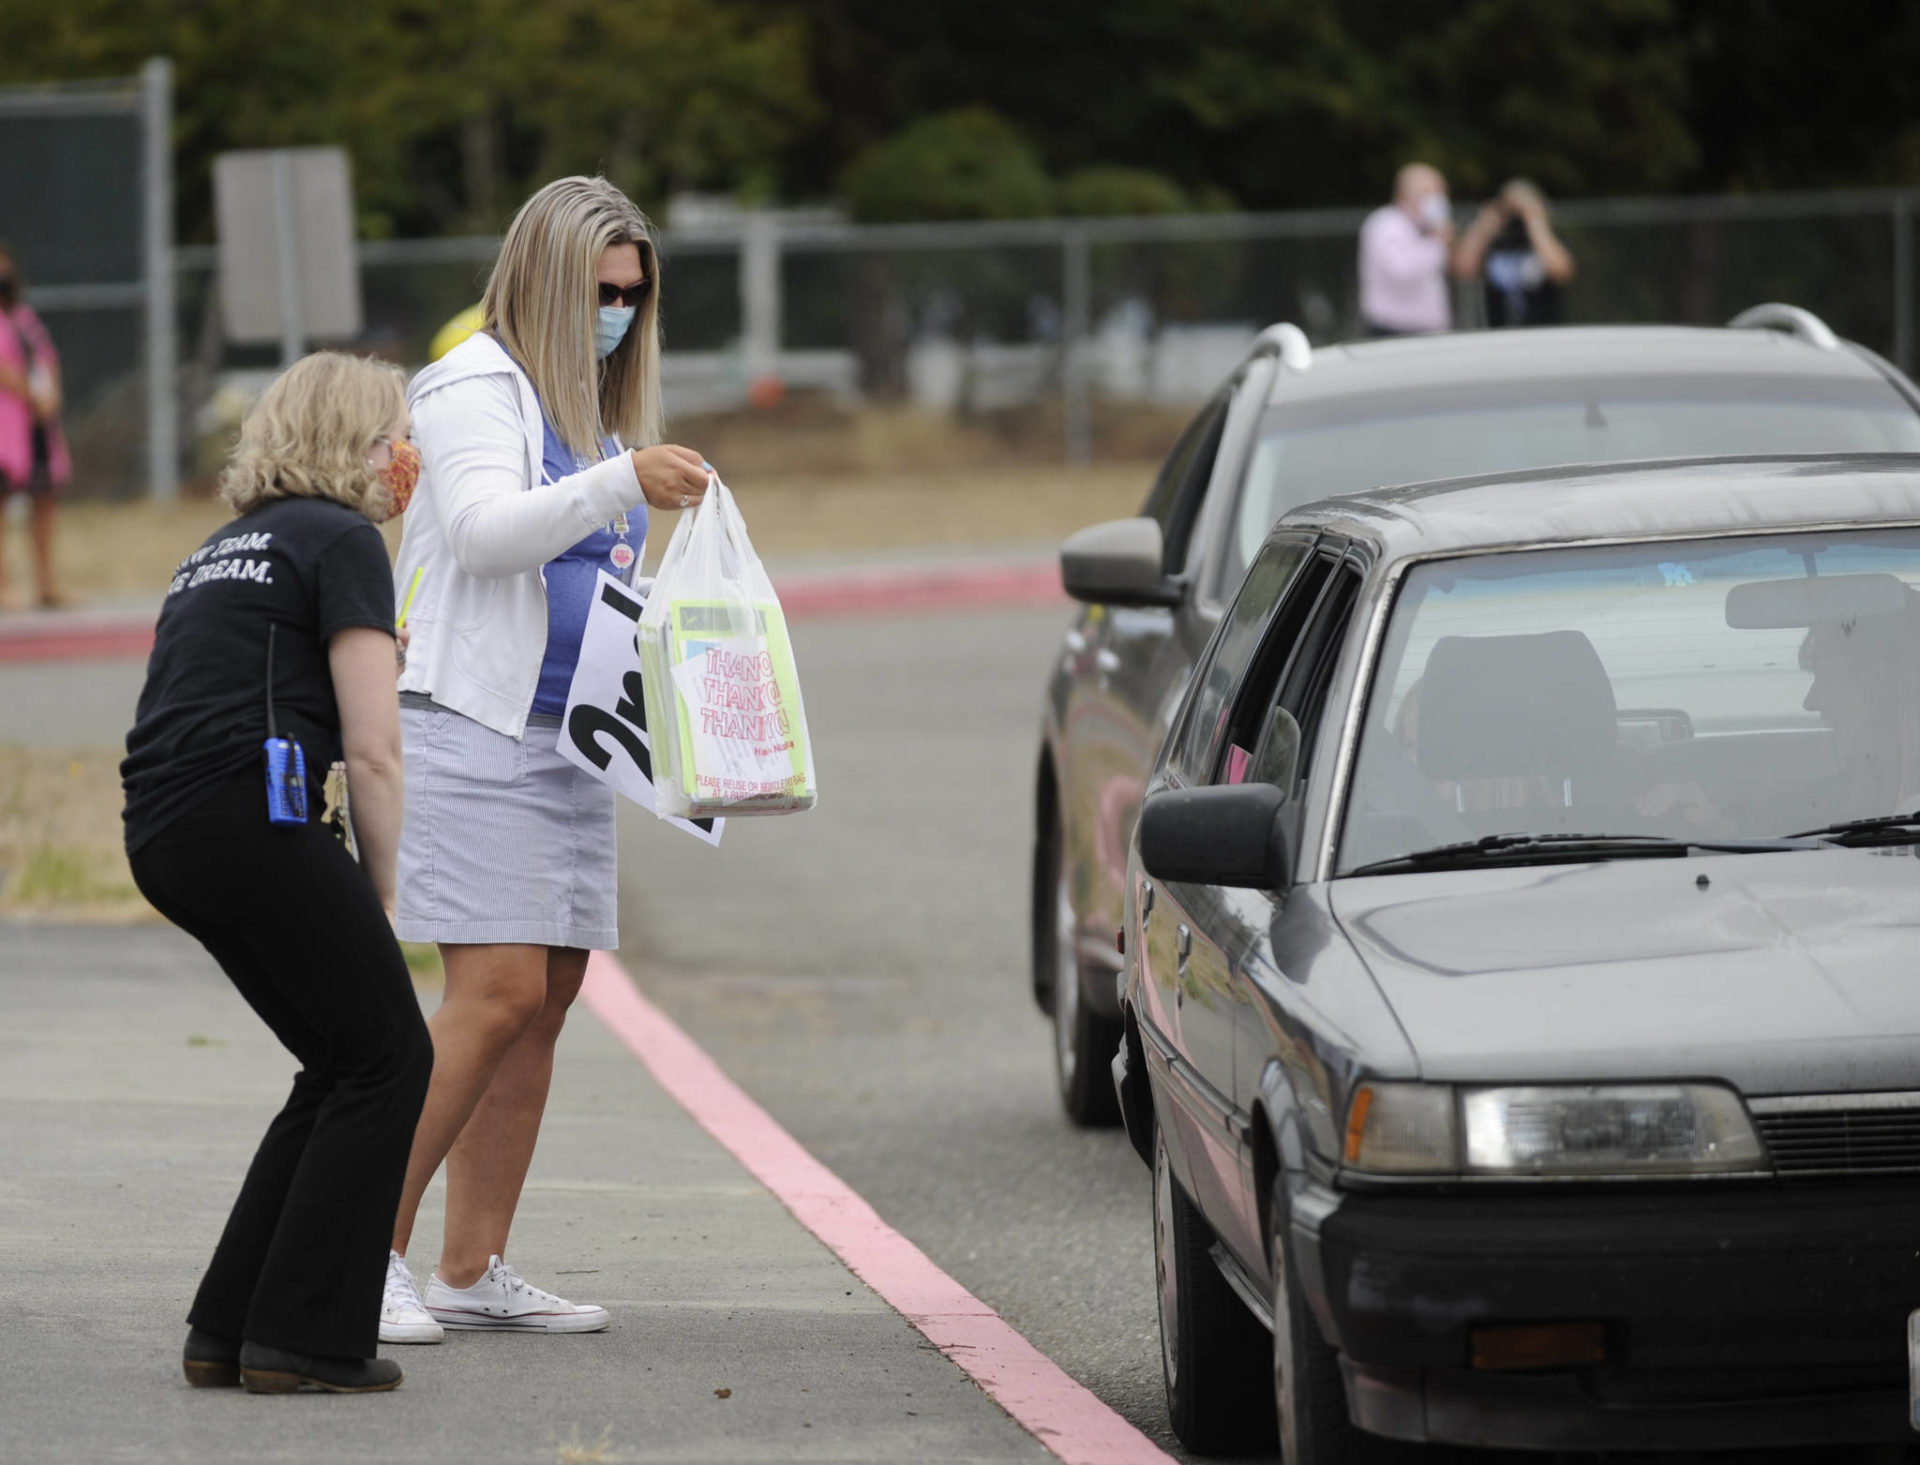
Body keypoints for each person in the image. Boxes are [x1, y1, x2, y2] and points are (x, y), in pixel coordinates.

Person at [381, 175, 711, 1343]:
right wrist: (624, 480)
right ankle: (360, 1248)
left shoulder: (595, 411)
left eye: (633, 294)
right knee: (498, 989)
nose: (616, 313)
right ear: (542, 279)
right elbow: (479, 533)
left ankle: (474, 1265)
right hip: (472, 725)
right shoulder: (474, 383)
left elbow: (590, 574)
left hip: (568, 737)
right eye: (598, 291)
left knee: (549, 999)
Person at [120, 352, 430, 1394]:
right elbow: (374, 746)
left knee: (338, 1059)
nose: (406, 457)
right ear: (354, 441)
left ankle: (231, 1325)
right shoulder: (341, 537)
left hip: (164, 825)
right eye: (394, 433)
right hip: (250, 813)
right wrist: (381, 899)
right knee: (391, 1055)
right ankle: (306, 1339)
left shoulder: (221, 546)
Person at [0, 246, 74, 608]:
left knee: (44, 501)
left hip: (37, 426)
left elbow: (46, 357)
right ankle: (3, 585)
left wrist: (50, 395)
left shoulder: (24, 317)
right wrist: (31, 393)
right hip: (6, 426)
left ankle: (47, 584)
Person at [1451, 178, 1576, 328]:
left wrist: (1535, 222)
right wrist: (1483, 227)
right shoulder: (1495, 242)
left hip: (1544, 331)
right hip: (1500, 332)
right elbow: (1463, 269)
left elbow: (1562, 271)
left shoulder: (1549, 238)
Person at [1357, 163, 1454, 336]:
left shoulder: (1424, 228)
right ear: (1405, 195)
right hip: (1395, 331)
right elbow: (1401, 272)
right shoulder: (1386, 225)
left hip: (1425, 332)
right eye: (1430, 192)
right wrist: (1436, 242)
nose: (1438, 199)